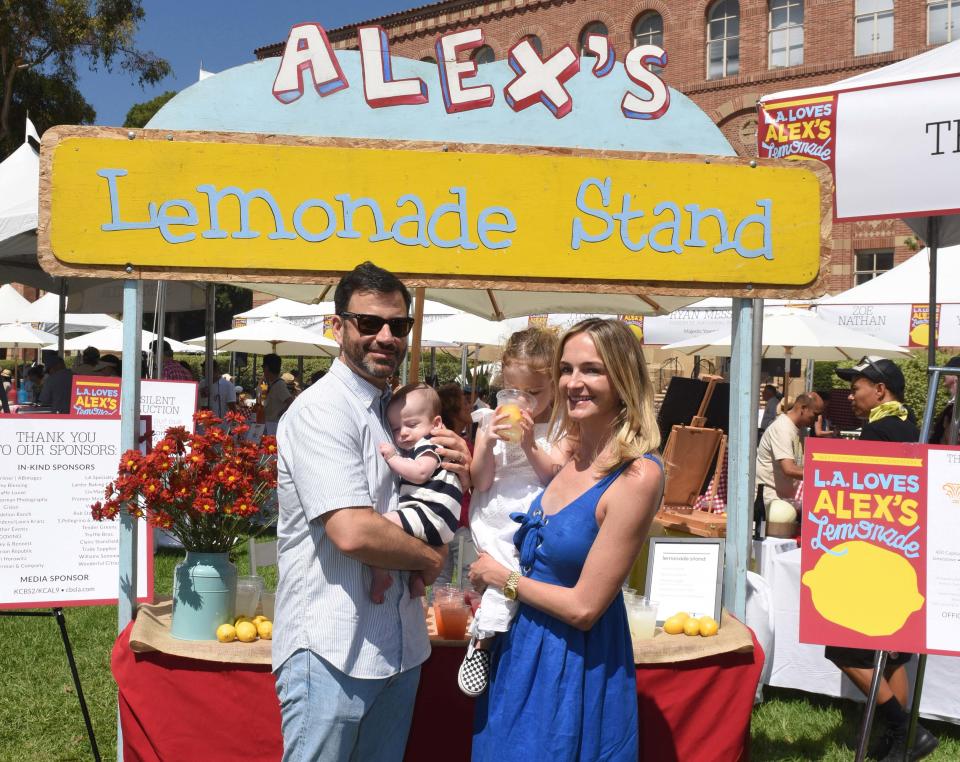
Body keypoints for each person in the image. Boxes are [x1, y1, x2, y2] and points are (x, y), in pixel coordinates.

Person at [272, 261, 472, 762]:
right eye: (368, 323)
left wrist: (456, 468)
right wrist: (430, 559)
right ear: (338, 327)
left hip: (398, 645)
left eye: (398, 326)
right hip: (332, 650)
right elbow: (354, 531)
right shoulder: (323, 410)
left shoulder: (393, 412)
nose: (385, 336)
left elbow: (420, 497)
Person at [470, 318, 663, 761]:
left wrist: (502, 578)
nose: (574, 383)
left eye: (592, 370)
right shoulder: (571, 454)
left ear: (623, 380)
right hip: (520, 650)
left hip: (573, 662)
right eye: (566, 369)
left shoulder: (636, 474)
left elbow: (584, 608)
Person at [831, 356, 936, 761]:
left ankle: (905, 729)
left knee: (842, 648)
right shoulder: (913, 428)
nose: (851, 394)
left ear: (880, 390)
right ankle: (900, 745)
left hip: (871, 557)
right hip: (903, 556)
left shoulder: (877, 432)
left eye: (857, 387)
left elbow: (863, 503)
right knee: (893, 655)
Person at [459, 326, 569, 697]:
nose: (524, 401)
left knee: (510, 565)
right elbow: (481, 480)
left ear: (554, 384)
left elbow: (554, 476)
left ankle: (485, 638)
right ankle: (484, 642)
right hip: (496, 508)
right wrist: (486, 444)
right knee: (503, 561)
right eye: (514, 393)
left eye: (535, 393)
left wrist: (530, 444)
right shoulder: (490, 420)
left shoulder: (562, 427)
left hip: (536, 511)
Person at [373, 383, 463, 601]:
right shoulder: (422, 445)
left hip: (429, 513)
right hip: (437, 519)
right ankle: (417, 580)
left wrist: (393, 458)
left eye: (411, 424)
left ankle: (380, 575)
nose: (403, 433)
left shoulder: (429, 444)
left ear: (436, 423)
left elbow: (421, 472)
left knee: (379, 526)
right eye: (395, 428)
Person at [755, 392, 824, 509]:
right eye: (815, 414)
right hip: (770, 501)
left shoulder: (800, 429)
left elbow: (808, 462)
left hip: (784, 499)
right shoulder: (782, 428)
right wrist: (825, 477)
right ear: (803, 408)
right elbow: (789, 469)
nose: (817, 419)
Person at [929, 355, 960, 445]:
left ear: (955, 377)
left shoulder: (956, 405)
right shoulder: (952, 404)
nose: (944, 375)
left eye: (947, 371)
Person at [261, 354, 292, 435]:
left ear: (267, 368)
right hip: (270, 424)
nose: (263, 370)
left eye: (263, 367)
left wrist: (281, 413)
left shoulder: (279, 385)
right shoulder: (271, 383)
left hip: (274, 425)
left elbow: (290, 401)